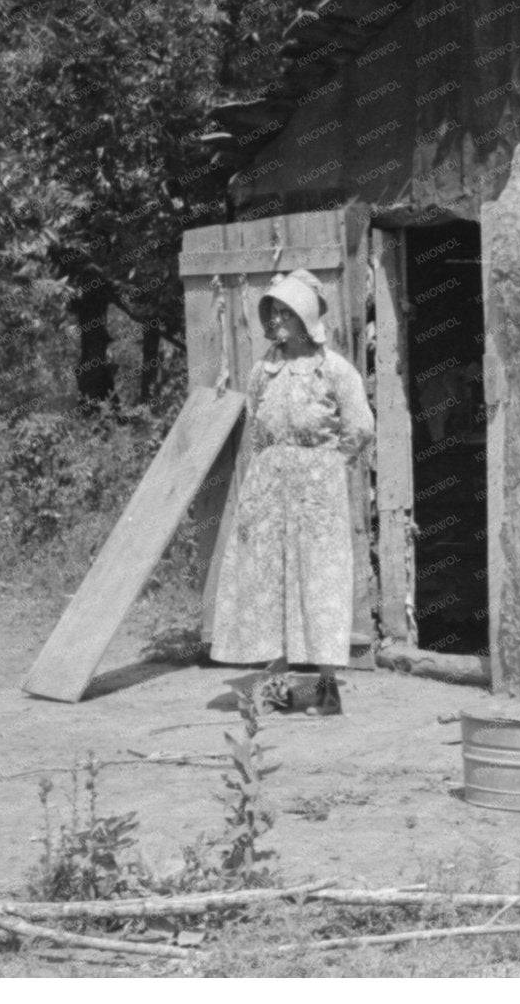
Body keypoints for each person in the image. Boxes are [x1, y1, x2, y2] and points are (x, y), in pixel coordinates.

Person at [208, 269, 374, 716]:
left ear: (306, 318)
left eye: (287, 312)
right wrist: (263, 476)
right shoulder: (265, 370)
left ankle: (326, 688)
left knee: (319, 581)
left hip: (317, 489)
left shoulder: (335, 370)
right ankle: (279, 684)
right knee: (269, 581)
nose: (278, 321)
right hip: (269, 487)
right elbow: (257, 429)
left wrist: (328, 464)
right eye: (274, 312)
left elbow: (360, 427)